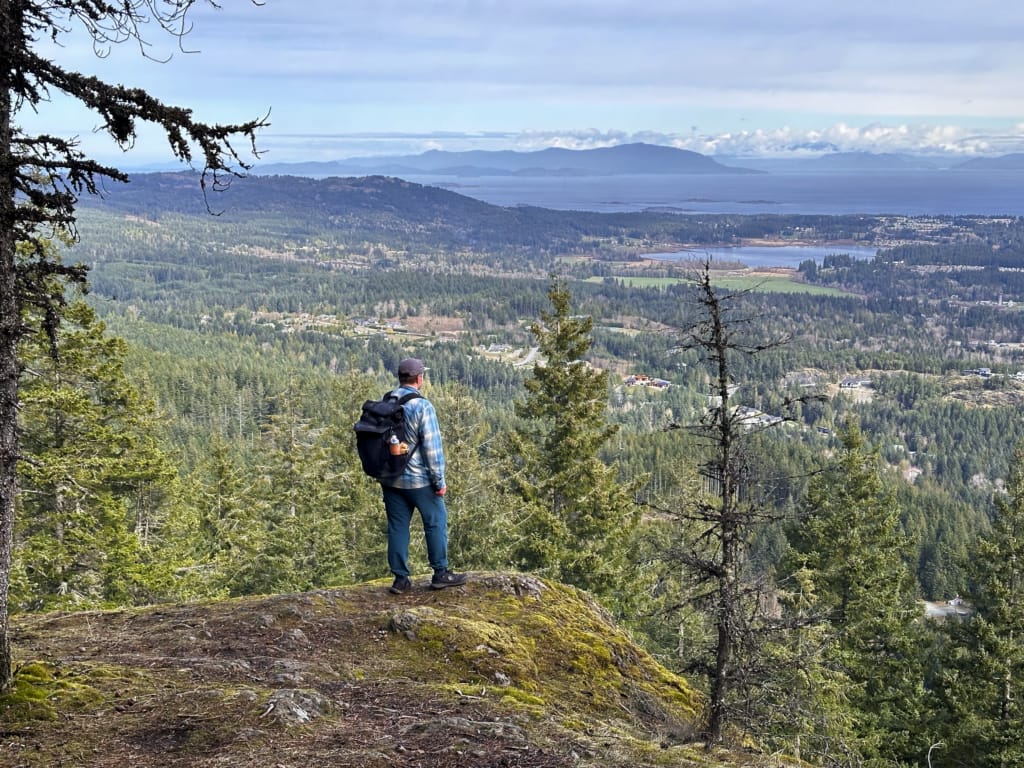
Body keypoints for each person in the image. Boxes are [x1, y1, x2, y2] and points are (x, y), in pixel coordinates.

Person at [380, 357, 467, 594]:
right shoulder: (423, 406)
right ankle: (440, 573)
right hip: (419, 481)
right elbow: (432, 448)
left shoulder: (387, 401)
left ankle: (400, 580)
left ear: (400, 377)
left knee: (398, 527)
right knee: (435, 521)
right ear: (419, 378)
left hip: (391, 479)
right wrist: (439, 481)